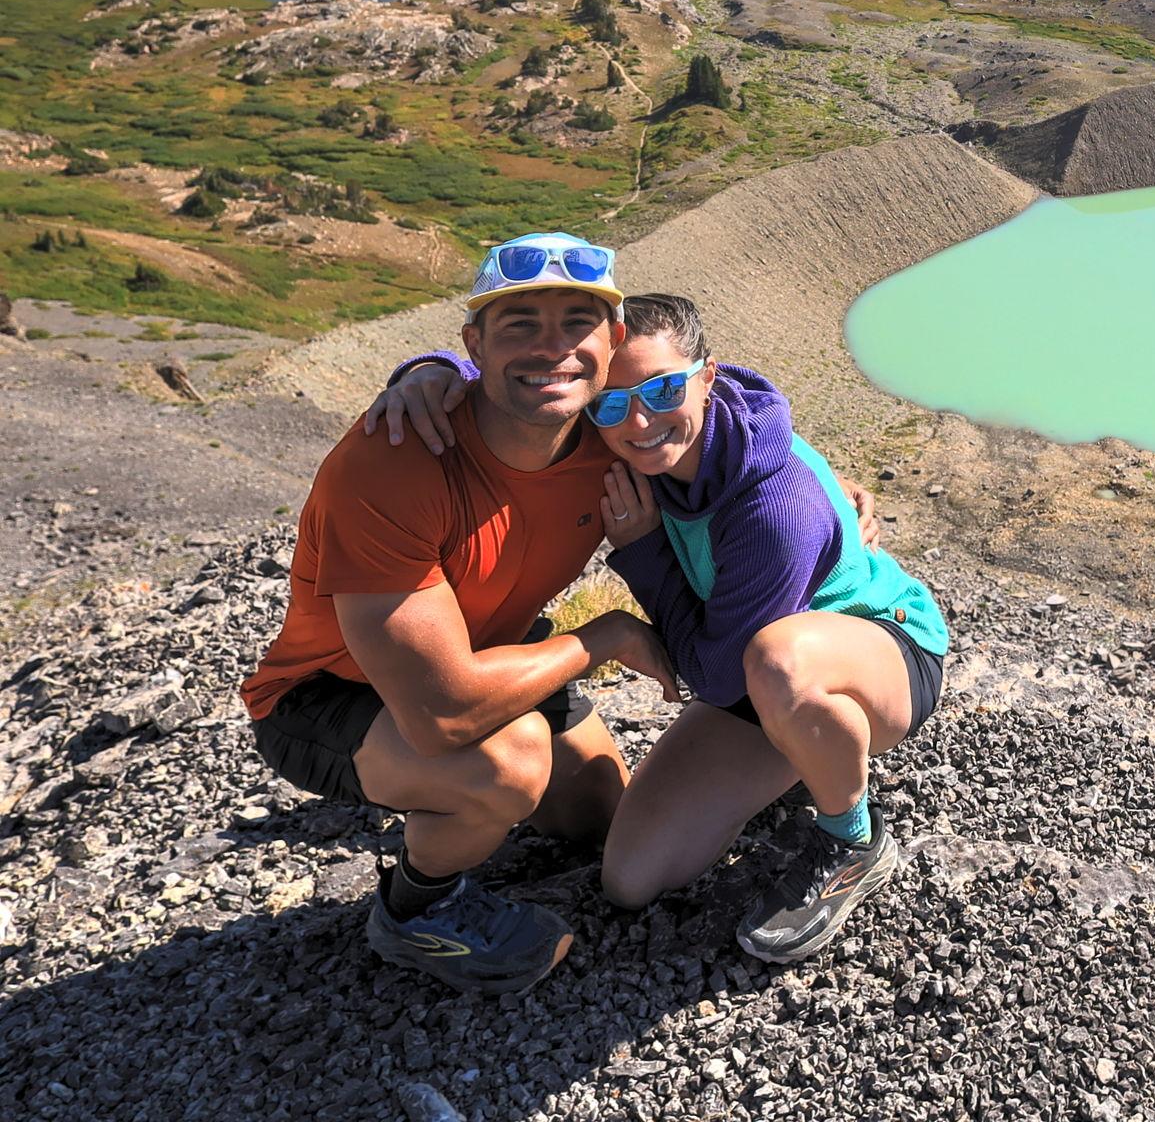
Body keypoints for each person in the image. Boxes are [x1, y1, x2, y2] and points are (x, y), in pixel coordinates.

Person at [373, 290, 948, 963]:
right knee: (630, 878)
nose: (640, 420)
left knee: (779, 661)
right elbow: (520, 379)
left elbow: (710, 675)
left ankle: (851, 839)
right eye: (611, 403)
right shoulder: (622, 431)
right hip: (753, 683)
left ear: (707, 375)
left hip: (873, 651)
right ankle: (804, 754)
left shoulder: (774, 510)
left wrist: (644, 552)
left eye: (664, 387)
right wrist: (426, 373)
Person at [240, 232, 677, 995]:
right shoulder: (397, 458)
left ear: (614, 343)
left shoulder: (607, 438)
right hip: (326, 694)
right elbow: (441, 716)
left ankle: (457, 819)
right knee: (501, 768)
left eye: (577, 322)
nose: (553, 349)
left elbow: (721, 409)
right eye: (518, 326)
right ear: (473, 345)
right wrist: (601, 637)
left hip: (490, 648)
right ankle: (417, 910)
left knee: (605, 822)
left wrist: (832, 496)